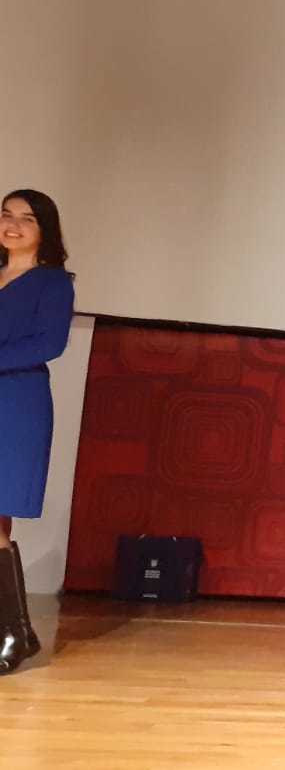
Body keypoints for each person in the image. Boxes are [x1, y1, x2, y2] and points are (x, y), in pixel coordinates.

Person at [0, 189, 76, 675]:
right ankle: (19, 631)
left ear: (44, 229)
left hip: (16, 402)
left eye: (27, 218)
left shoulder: (53, 283)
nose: (13, 225)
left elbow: (50, 343)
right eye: (6, 214)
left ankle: (11, 633)